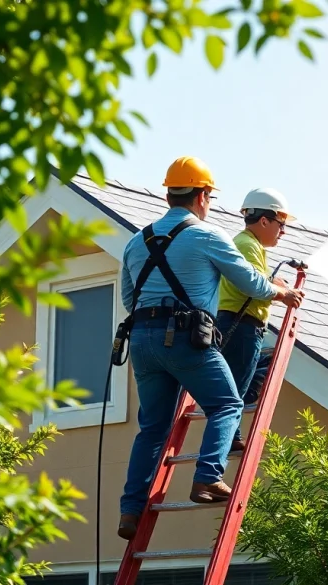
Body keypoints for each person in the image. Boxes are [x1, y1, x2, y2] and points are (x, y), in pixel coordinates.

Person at [116, 157, 304, 541]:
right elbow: (251, 282)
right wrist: (282, 291)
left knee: (152, 428)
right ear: (202, 196)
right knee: (227, 404)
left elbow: (128, 297)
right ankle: (207, 478)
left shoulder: (137, 241)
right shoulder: (207, 236)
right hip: (185, 337)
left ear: (170, 193)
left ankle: (131, 510)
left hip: (142, 341)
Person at [215, 188, 294, 452]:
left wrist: (276, 283)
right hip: (242, 325)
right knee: (237, 387)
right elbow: (253, 284)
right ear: (264, 220)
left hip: (238, 324)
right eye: (280, 225)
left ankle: (232, 435)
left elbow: (258, 279)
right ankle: (232, 437)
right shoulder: (248, 245)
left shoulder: (248, 244)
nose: (282, 232)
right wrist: (284, 293)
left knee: (246, 377)